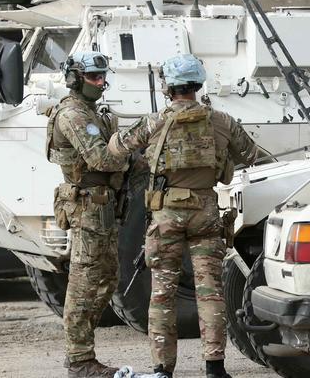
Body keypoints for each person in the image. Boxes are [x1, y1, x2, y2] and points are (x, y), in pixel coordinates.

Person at [107, 54, 259, 378]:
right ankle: (215, 368)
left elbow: (116, 149)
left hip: (166, 217)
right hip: (205, 213)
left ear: (167, 87)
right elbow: (251, 153)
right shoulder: (222, 120)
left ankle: (163, 369)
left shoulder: (154, 122)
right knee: (211, 292)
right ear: (198, 85)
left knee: (162, 293)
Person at [47, 52, 128, 378]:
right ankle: (80, 361)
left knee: (107, 278)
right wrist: (130, 145)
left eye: (102, 76)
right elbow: (102, 160)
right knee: (84, 284)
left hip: (101, 206)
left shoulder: (91, 112)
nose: (100, 82)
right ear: (75, 79)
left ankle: (82, 352)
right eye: (93, 77)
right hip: (87, 208)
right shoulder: (74, 115)